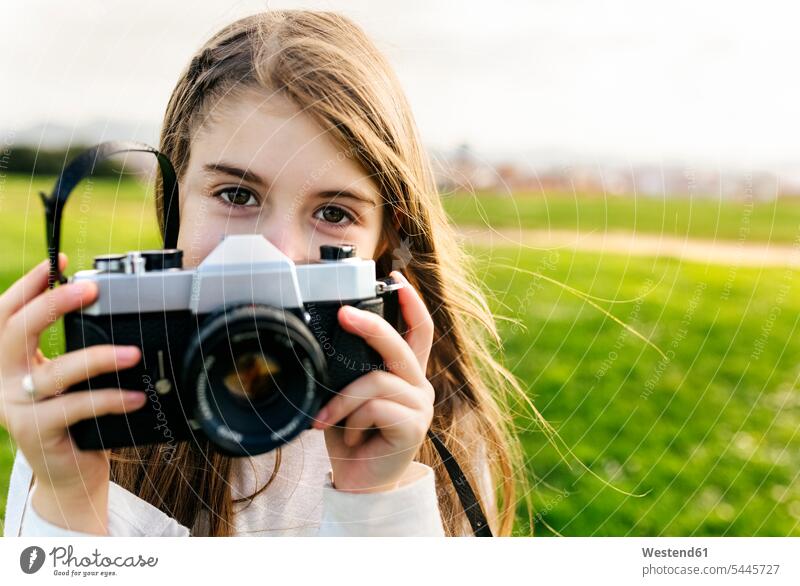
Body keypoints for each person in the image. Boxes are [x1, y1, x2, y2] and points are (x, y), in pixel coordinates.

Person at [1, 10, 525, 537]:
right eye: (236, 195)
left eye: (334, 213)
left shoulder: (430, 431)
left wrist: (377, 501)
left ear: (384, 243)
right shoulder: (94, 418)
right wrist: (70, 498)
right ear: (175, 201)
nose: (277, 254)